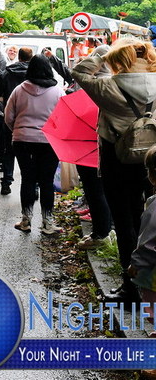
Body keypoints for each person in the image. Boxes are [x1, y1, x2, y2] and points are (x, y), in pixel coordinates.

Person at [72, 38, 156, 302]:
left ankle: (130, 288)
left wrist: (101, 52)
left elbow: (79, 72)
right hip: (152, 160)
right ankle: (150, 284)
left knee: (124, 221)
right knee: (150, 220)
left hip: (117, 161)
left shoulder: (107, 86)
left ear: (118, 60)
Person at [4, 54, 64, 235]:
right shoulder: (58, 92)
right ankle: (47, 223)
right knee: (47, 181)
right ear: (49, 69)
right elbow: (63, 118)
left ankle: (26, 220)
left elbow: (8, 117)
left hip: (22, 141)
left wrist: (19, 130)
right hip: (49, 142)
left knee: (28, 179)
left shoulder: (19, 90)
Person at [72, 44, 113, 250]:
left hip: (88, 147)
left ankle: (100, 234)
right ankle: (108, 230)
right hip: (113, 147)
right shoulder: (118, 84)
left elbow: (77, 71)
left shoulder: (91, 87)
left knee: (95, 191)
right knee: (110, 191)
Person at [0, 45, 34, 194]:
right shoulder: (36, 74)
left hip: (11, 118)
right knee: (31, 154)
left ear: (19, 57)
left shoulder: (7, 73)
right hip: (33, 119)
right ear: (31, 58)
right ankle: (34, 185)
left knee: (9, 150)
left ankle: (6, 183)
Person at [128, 144, 156, 330]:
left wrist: (136, 264)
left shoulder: (154, 209)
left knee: (152, 305)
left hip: (153, 274)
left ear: (152, 176)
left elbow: (149, 243)